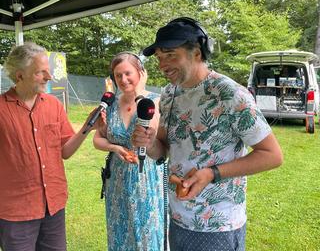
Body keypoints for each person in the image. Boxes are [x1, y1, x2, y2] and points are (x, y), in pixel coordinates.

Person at [131, 17, 283, 251]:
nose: (162, 65)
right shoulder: (170, 94)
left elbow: (272, 155)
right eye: (160, 58)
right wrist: (150, 143)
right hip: (178, 218)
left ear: (198, 53)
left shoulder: (230, 94)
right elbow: (163, 148)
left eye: (171, 55)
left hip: (218, 225)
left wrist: (212, 174)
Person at [0, 42, 103, 251]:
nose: (49, 76)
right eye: (41, 72)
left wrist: (87, 127)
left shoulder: (53, 105)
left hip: (54, 206)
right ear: (20, 76)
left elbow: (65, 151)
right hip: (16, 212)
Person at [93, 52, 164, 251]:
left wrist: (139, 92)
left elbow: (152, 134)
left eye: (128, 73)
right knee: (120, 236)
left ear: (141, 72)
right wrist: (115, 148)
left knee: (147, 237)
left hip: (145, 179)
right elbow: (97, 139)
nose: (123, 80)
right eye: (118, 76)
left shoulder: (155, 102)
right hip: (116, 181)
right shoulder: (111, 104)